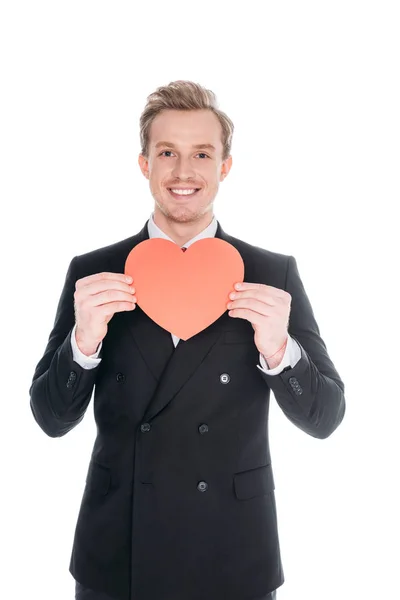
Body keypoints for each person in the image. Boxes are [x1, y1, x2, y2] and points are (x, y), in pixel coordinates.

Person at [29, 80, 346, 600]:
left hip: (233, 550)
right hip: (118, 554)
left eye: (202, 153)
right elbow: (49, 419)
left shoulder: (271, 273)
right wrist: (83, 343)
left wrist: (279, 351)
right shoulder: (94, 272)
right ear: (144, 164)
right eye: (167, 153)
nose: (184, 172)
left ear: (224, 166)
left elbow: (327, 418)